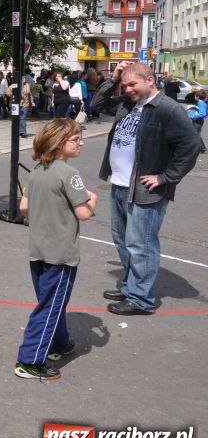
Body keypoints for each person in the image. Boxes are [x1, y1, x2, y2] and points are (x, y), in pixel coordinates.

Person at [90, 61, 201, 315]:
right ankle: (131, 286)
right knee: (123, 241)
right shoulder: (129, 103)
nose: (128, 89)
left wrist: (166, 177)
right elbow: (97, 106)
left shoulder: (167, 108)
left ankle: (141, 299)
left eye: (133, 84)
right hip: (119, 184)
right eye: (125, 85)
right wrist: (113, 79)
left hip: (144, 190)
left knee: (141, 244)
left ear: (150, 80)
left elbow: (191, 145)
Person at [14, 119, 98, 381]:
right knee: (49, 306)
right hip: (60, 253)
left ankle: (59, 343)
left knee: (51, 303)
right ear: (60, 143)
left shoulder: (38, 170)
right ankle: (29, 360)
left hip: (38, 250)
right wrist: (93, 197)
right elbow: (84, 212)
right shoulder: (69, 174)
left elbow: (24, 208)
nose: (81, 142)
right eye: (76, 139)